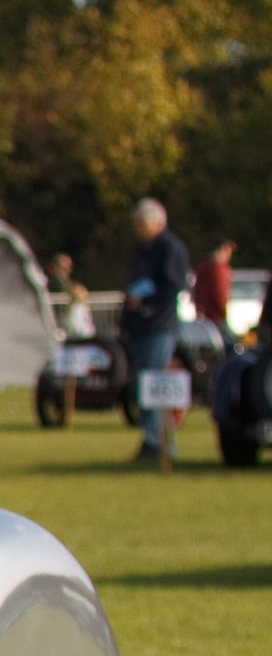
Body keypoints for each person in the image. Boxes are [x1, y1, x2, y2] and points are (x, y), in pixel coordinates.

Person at [120, 197, 192, 461]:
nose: (137, 230)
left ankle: (161, 442)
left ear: (155, 223)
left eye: (140, 224)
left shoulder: (171, 248)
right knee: (143, 384)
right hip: (141, 327)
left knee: (155, 385)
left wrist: (146, 301)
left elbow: (173, 287)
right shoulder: (144, 248)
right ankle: (151, 439)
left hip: (160, 326)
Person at [48, 253, 96, 339]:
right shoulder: (56, 281)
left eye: (69, 266)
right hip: (59, 316)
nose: (68, 269)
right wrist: (77, 291)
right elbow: (65, 288)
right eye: (64, 266)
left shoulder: (64, 280)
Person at [195, 238, 235, 341]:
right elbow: (219, 294)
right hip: (216, 317)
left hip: (204, 318)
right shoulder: (218, 269)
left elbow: (197, 293)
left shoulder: (203, 268)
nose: (229, 254)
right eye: (227, 250)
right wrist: (223, 311)